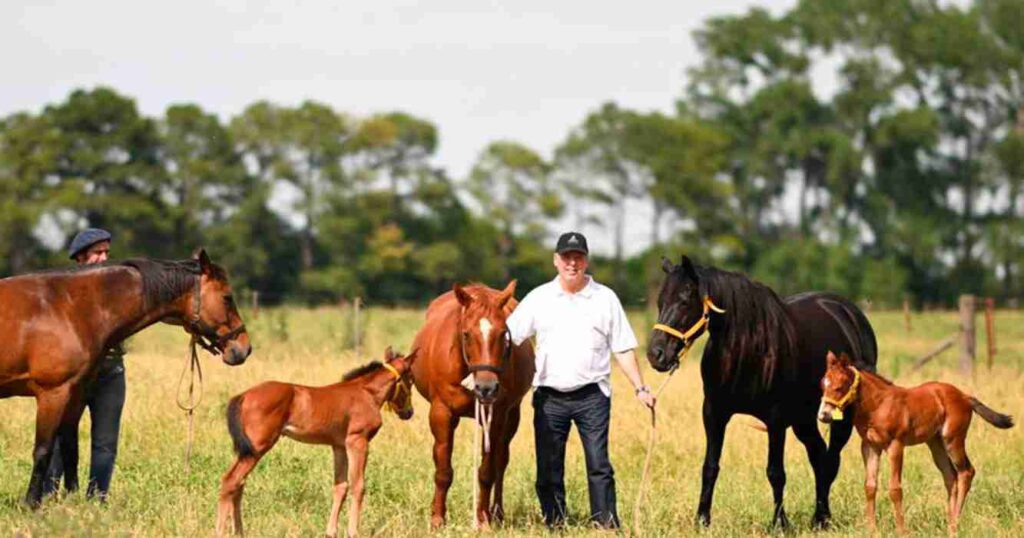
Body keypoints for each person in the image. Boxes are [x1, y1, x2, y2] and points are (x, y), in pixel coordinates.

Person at [506, 231, 656, 529]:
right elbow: (507, 338)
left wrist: (640, 388)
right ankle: (555, 524)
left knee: (599, 466)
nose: (572, 263)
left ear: (586, 261)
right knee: (548, 468)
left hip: (592, 396)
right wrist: (478, 373)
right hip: (549, 397)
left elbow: (623, 347)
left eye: (578, 257)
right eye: (566, 257)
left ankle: (606, 525)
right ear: (555, 260)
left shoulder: (605, 298)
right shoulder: (539, 298)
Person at [44, 228, 126, 502]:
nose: (104, 258)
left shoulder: (119, 292)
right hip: (73, 376)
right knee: (58, 438)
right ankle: (48, 496)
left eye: (106, 253)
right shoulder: (63, 293)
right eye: (97, 253)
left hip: (111, 374)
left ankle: (97, 499)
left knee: (106, 443)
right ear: (80, 257)